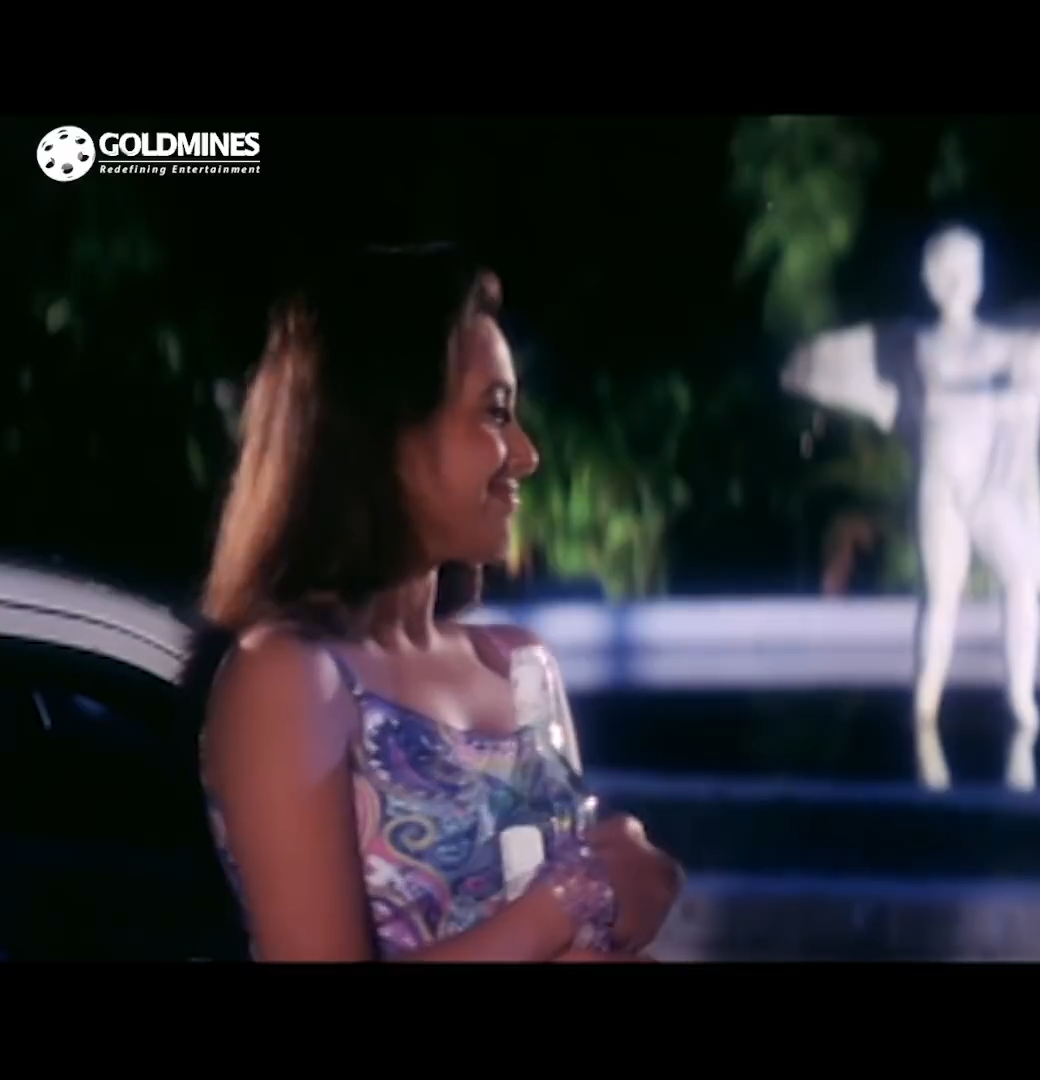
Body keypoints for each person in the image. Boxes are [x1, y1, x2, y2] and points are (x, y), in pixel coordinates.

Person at [193, 244, 682, 961]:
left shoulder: (521, 666)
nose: (526, 455)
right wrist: (578, 895)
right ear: (383, 431)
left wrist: (629, 887)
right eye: (495, 413)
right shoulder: (288, 677)